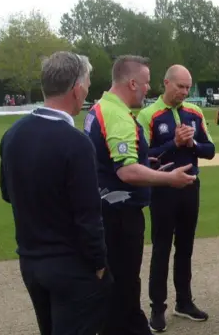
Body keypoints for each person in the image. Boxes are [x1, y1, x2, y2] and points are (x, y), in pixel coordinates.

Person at [0, 51, 111, 335]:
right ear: (76, 88)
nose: (87, 91)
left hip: (31, 261)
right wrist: (99, 263)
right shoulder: (76, 143)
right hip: (69, 265)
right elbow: (88, 215)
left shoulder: (13, 134)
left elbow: (7, 193)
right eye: (86, 84)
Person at [84, 56, 196, 335]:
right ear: (132, 83)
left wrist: (148, 164)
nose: (148, 89)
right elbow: (126, 171)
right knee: (124, 285)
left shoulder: (99, 108)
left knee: (117, 286)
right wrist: (169, 179)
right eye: (146, 83)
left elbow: (114, 162)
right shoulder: (118, 115)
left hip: (104, 207)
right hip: (120, 213)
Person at [136, 64, 215, 332]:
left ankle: (184, 302)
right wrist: (175, 144)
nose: (185, 91)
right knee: (161, 249)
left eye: (188, 87)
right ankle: (157, 308)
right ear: (166, 83)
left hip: (190, 188)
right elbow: (143, 158)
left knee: (186, 248)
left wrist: (192, 144)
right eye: (180, 86)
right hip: (162, 190)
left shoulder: (194, 112)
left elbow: (210, 150)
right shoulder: (149, 115)